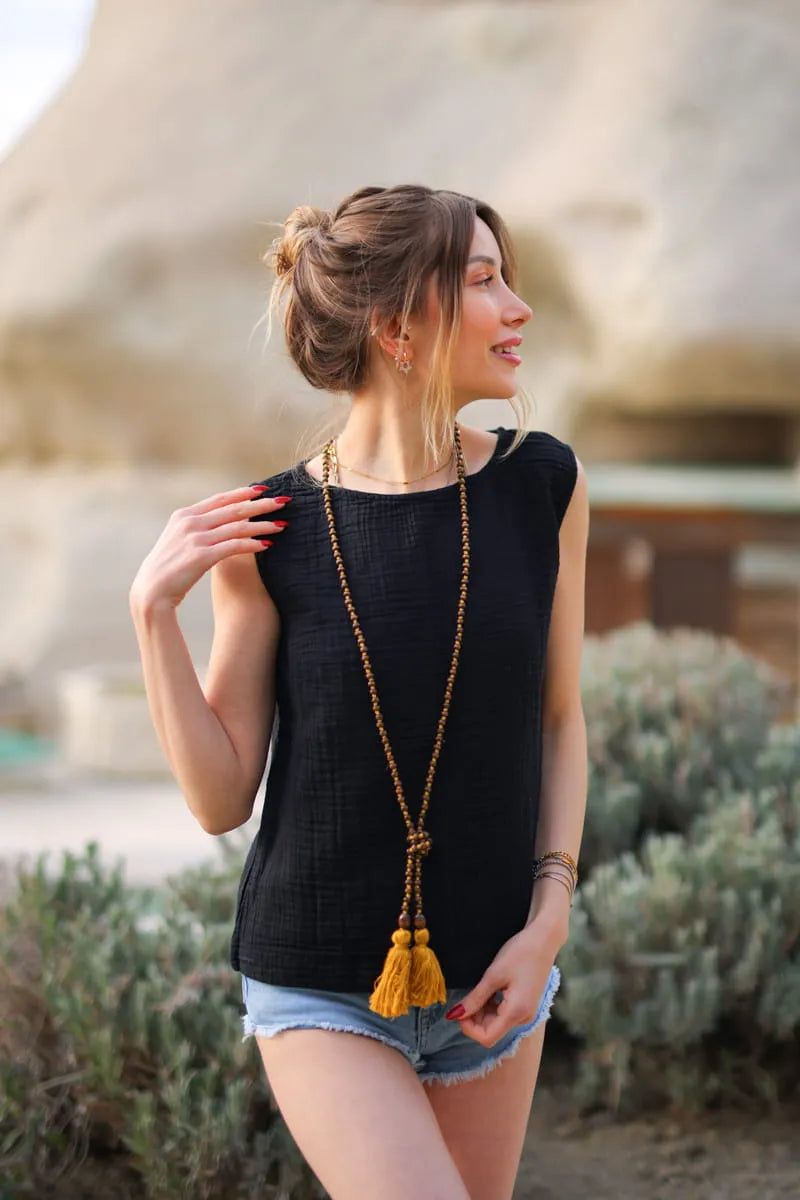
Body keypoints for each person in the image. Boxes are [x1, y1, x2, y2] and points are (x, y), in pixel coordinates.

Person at [130, 183, 589, 1200]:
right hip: (318, 983)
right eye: (482, 280)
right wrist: (152, 614)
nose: (516, 306)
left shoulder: (544, 487)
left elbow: (560, 720)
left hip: (497, 972)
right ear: (397, 328)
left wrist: (547, 920)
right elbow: (219, 799)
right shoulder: (271, 529)